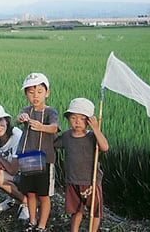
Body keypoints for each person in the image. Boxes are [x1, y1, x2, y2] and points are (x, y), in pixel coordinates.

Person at [55, 98, 109, 232]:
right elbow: (53, 143)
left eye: (82, 118)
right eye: (73, 118)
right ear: (68, 119)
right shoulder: (66, 136)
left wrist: (96, 129)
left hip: (91, 181)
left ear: (89, 121)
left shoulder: (91, 137)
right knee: (76, 211)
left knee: (94, 211)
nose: (77, 122)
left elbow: (105, 147)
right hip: (72, 181)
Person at [16, 73, 59, 232]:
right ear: (26, 94)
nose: (35, 96)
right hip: (28, 156)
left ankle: (41, 226)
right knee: (30, 193)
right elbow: (18, 119)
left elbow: (54, 128)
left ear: (47, 93)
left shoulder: (50, 112)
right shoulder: (26, 110)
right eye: (31, 92)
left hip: (45, 158)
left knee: (44, 195)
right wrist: (21, 118)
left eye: (39, 92)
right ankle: (32, 221)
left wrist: (41, 127)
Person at [0, 104, 30, 220]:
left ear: (7, 121)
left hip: (27, 175)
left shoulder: (17, 136)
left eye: (0, 120)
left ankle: (27, 202)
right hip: (14, 175)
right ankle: (13, 198)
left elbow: (13, 170)